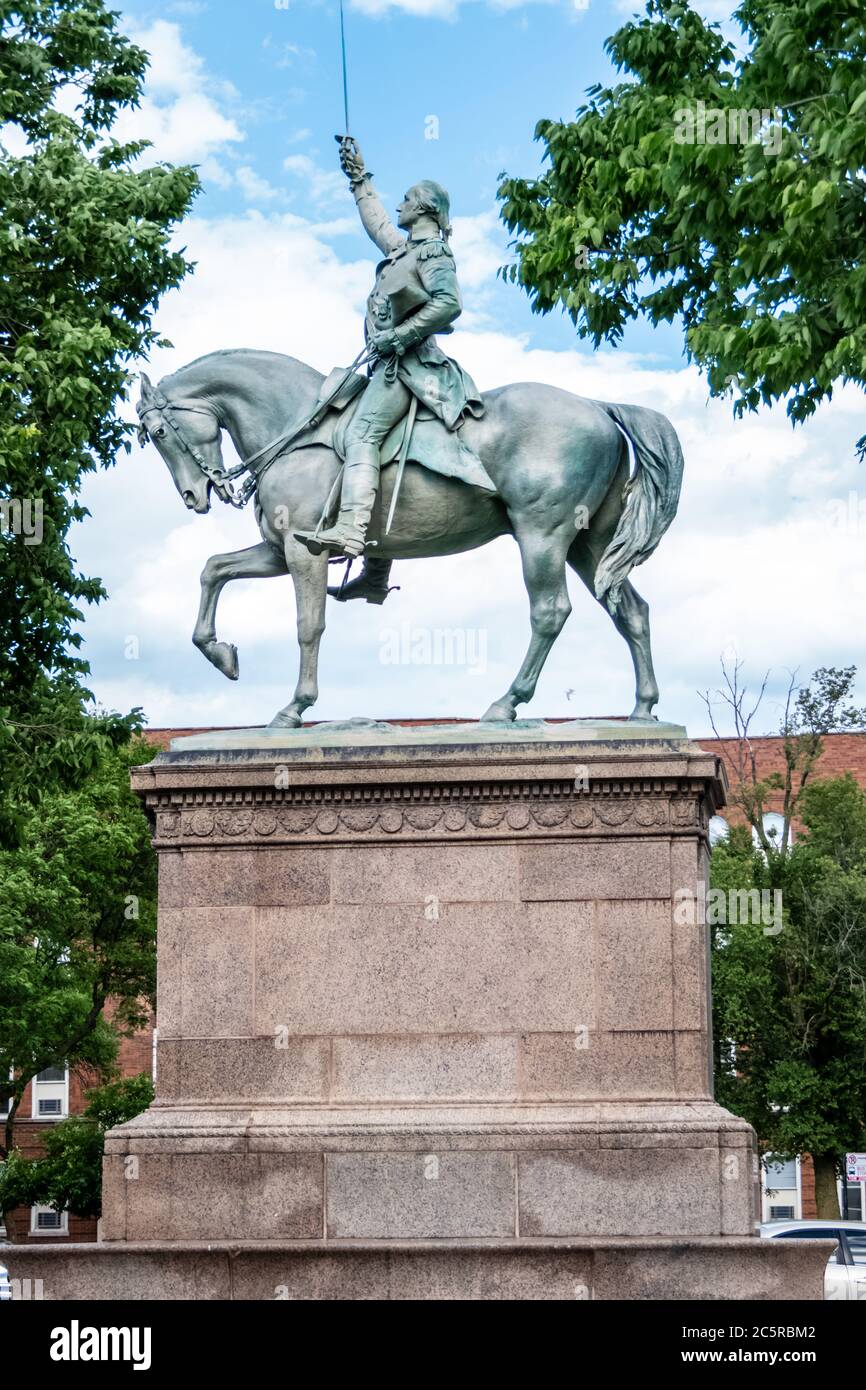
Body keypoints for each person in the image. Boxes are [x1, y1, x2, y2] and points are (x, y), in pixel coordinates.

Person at [295, 136, 484, 560]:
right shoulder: (403, 250)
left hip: (410, 366)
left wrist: (399, 337)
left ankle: (350, 532)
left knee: (361, 434)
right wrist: (358, 177)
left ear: (425, 209)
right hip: (385, 363)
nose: (400, 205)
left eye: (407, 199)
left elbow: (449, 304)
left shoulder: (433, 251)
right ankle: (376, 574)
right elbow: (376, 220)